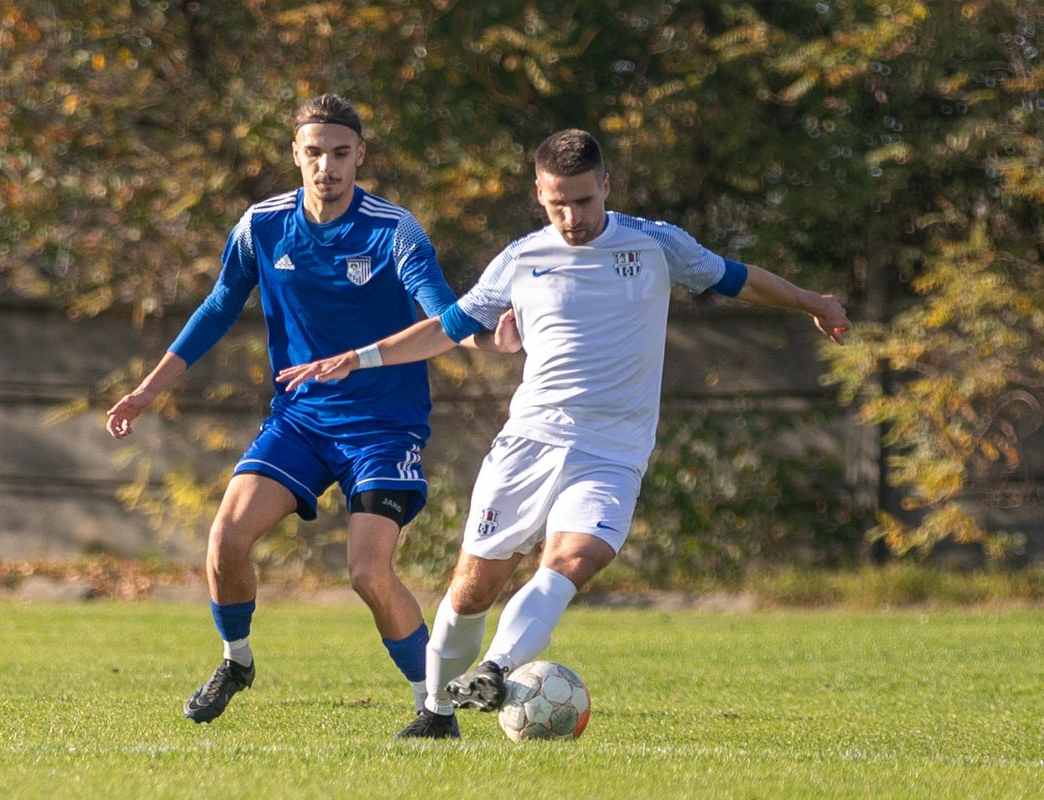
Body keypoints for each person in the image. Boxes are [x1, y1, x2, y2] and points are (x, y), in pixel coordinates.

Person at [277, 128, 852, 739]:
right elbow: (446, 328)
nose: (572, 217)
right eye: (558, 204)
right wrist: (358, 357)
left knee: (572, 559)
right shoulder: (521, 259)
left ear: (606, 186)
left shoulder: (658, 245)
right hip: (528, 444)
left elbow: (739, 279)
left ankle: (496, 668)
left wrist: (811, 300)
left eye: (584, 201)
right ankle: (437, 711)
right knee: (474, 588)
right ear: (539, 194)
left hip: (613, 452)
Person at [105, 94, 515, 725]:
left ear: (361, 156)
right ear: (296, 154)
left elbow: (443, 314)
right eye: (315, 152)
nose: (328, 166)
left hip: (382, 428)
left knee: (368, 573)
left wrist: (488, 332)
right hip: (299, 421)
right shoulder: (262, 225)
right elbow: (217, 308)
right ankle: (236, 660)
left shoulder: (393, 231)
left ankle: (434, 709)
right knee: (225, 541)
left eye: (341, 153)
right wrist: (150, 389)